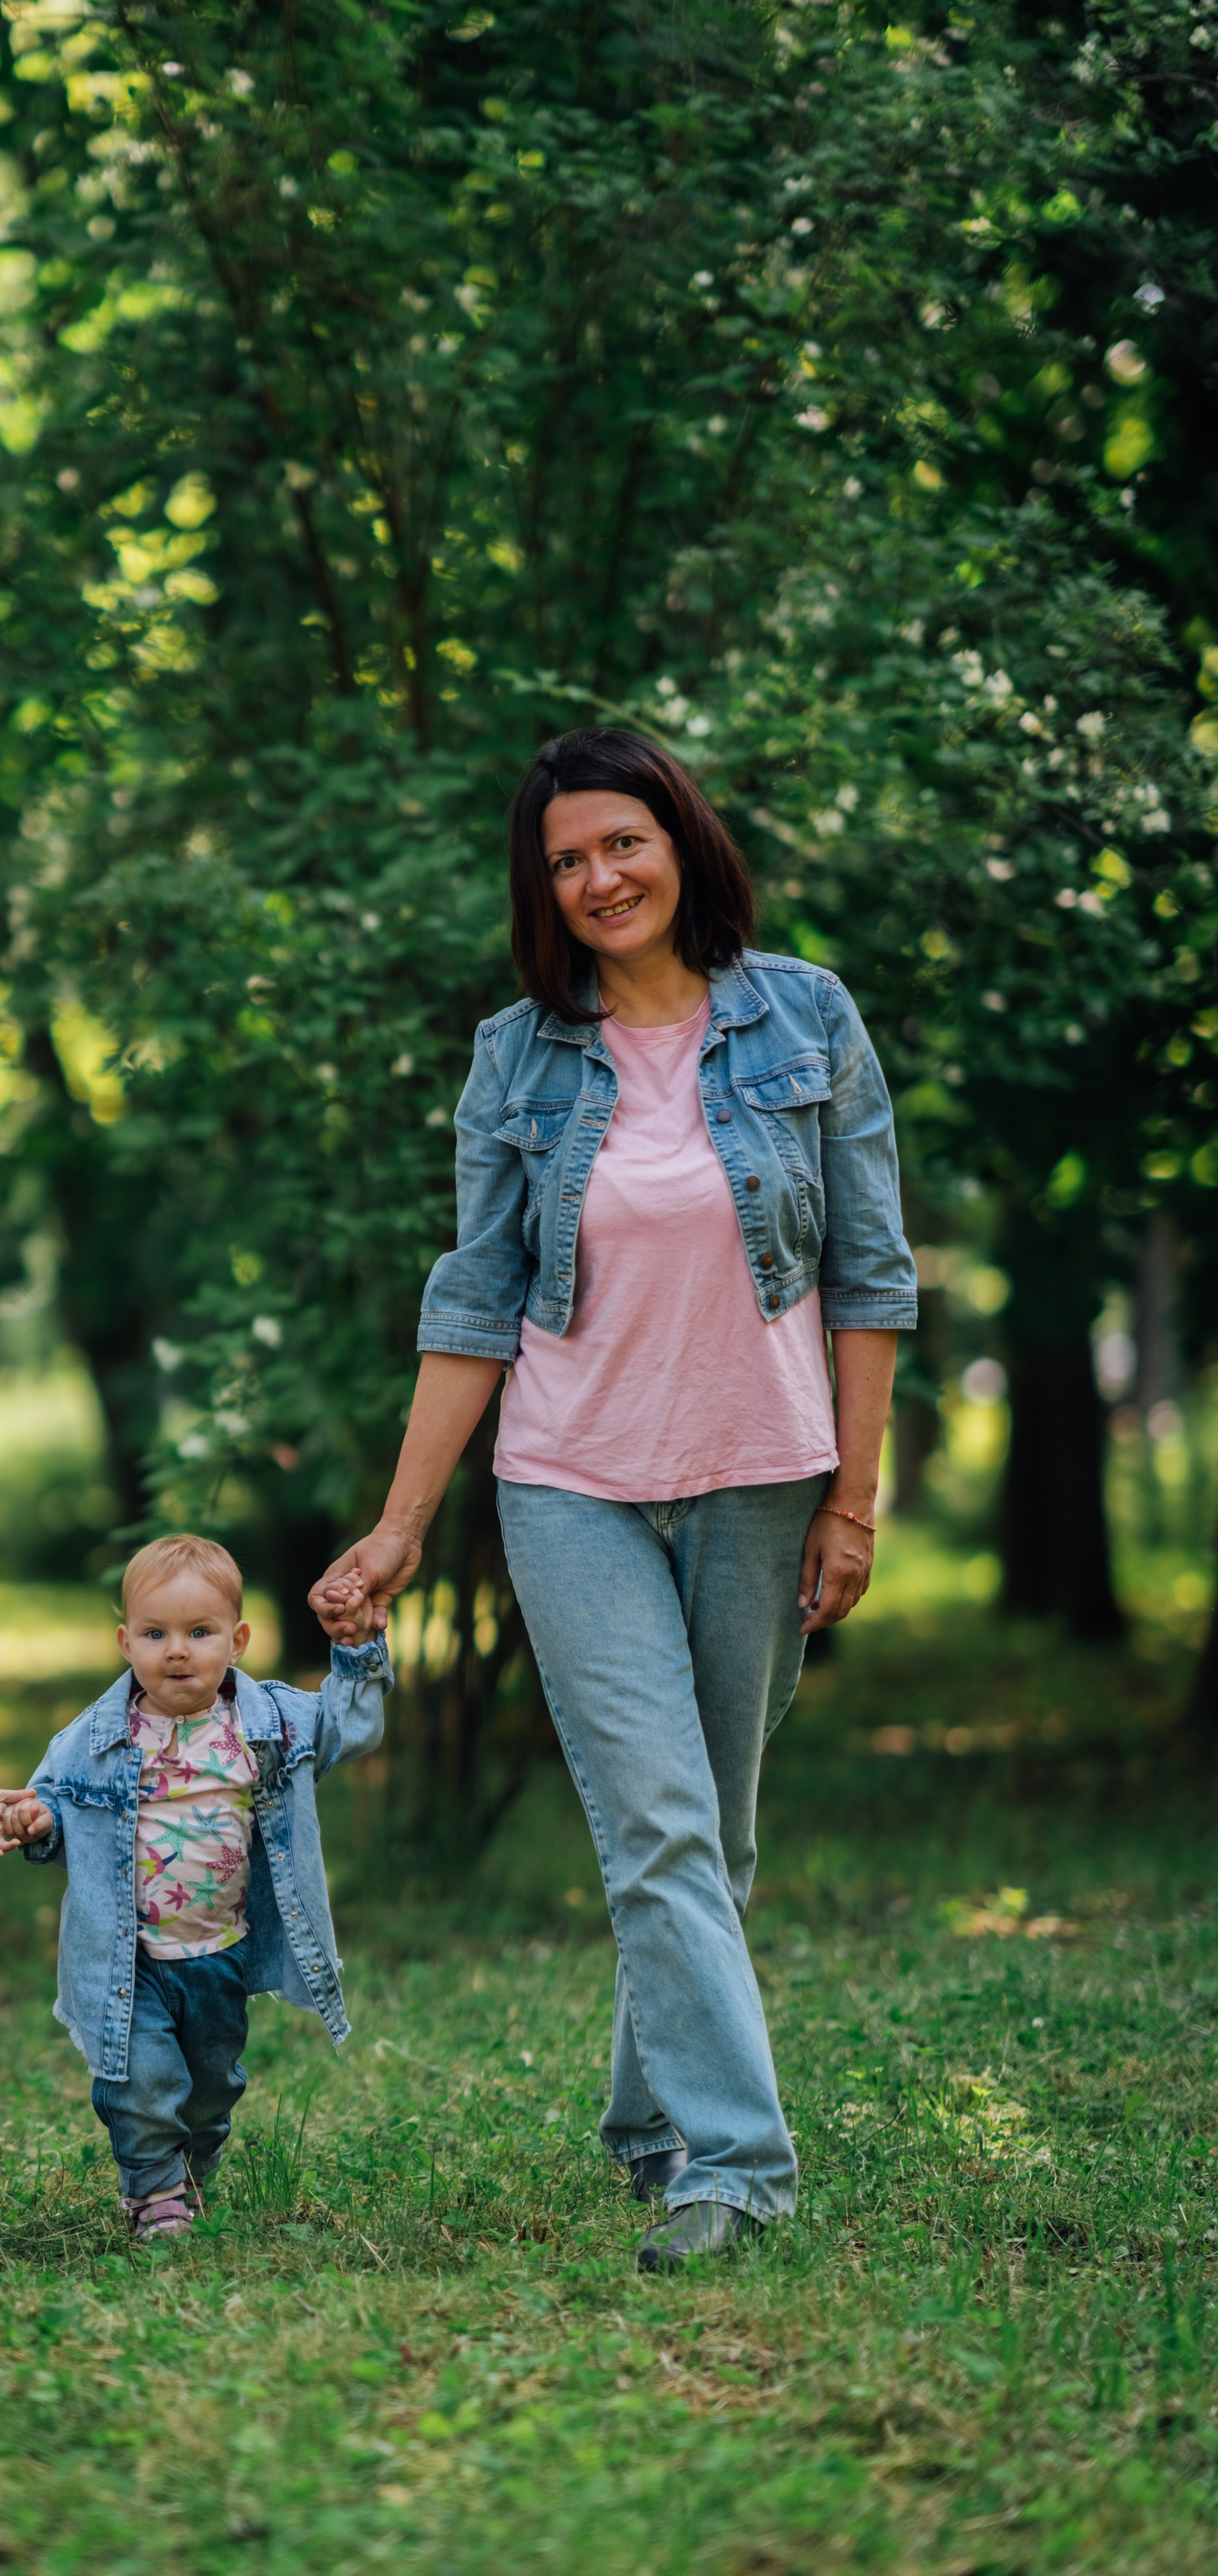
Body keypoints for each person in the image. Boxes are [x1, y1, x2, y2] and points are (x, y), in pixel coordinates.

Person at [312, 729, 916, 2274]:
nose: (595, 879)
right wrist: (399, 1522)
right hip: (569, 1481)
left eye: (618, 844)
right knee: (652, 1821)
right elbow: (475, 1294)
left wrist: (855, 1498)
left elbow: (865, 1274)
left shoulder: (803, 1015)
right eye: (563, 861)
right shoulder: (516, 1055)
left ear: (678, 841)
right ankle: (735, 2161)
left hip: (762, 1477)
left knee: (711, 1831)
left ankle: (648, 2122)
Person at [0, 1535, 388, 2245]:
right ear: (125, 1642)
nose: (177, 1651)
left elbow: (351, 1728)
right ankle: (155, 2194)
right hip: (132, 1960)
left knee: (210, 2088)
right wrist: (36, 1823)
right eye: (156, 1634)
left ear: (237, 1641)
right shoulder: (94, 1740)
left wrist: (356, 1652)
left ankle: (191, 2168)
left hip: (221, 1952)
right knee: (143, 2081)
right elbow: (53, 1814)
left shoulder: (268, 1727)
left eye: (199, 1633)